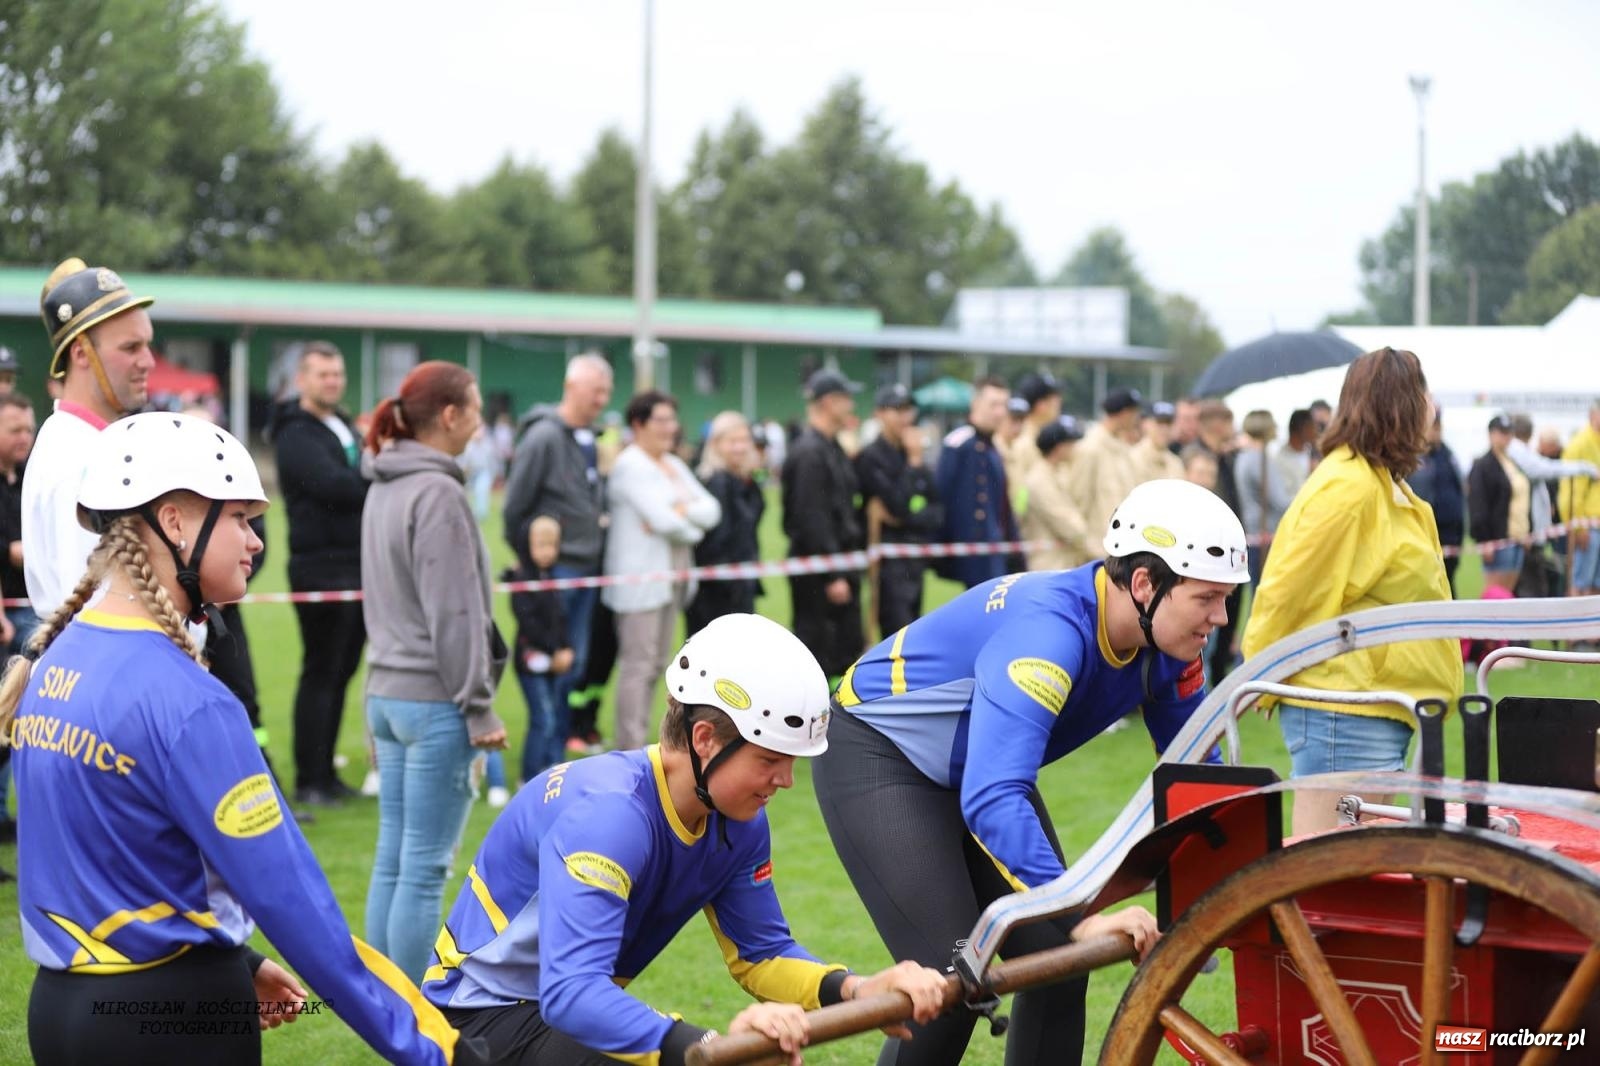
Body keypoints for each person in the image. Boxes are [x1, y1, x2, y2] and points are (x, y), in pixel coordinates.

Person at [4, 412, 482, 1066]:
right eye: (238, 518)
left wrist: (238, 956)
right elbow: (299, 908)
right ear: (174, 522)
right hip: (175, 1021)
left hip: (61, 1013)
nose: (255, 541)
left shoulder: (57, 661)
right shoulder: (191, 703)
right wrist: (444, 1052)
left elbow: (107, 860)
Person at [815, 479, 1243, 1065]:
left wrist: (1237, 877)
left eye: (1226, 599)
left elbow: (1201, 775)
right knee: (948, 979)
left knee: (1058, 962)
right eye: (1207, 598)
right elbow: (994, 795)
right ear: (1145, 585)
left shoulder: (1167, 648)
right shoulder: (1048, 635)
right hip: (879, 755)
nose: (1221, 618)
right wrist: (1077, 912)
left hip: (972, 768)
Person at [421, 613, 948, 1065]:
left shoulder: (737, 819)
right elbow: (571, 993)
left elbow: (760, 954)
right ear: (705, 740)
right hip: (477, 1023)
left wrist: (857, 990)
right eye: (769, 760)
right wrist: (714, 1047)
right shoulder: (609, 816)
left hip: (556, 1015)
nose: (785, 781)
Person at [1243, 347, 1462, 835]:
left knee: (1355, 878)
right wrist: (1260, 675)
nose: (1432, 405)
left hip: (1373, 707)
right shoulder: (1348, 489)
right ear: (1401, 404)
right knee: (1327, 877)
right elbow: (1287, 590)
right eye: (1424, 393)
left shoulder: (1379, 482)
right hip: (1343, 712)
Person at [361, 361, 509, 983]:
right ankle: (417, 1016)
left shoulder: (384, 483)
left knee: (394, 860)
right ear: (450, 416)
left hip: (387, 696)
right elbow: (453, 613)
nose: (479, 426)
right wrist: (478, 705)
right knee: (423, 867)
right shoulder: (439, 492)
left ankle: (388, 1005)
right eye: (474, 411)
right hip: (434, 702)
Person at [23, 258, 155, 620]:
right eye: (131, 348)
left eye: (147, 345)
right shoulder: (75, 457)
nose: (148, 361)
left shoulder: (88, 443)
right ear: (81, 354)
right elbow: (95, 610)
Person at [273, 340, 370, 808]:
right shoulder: (294, 433)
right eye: (322, 374)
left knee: (342, 673)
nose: (332, 381)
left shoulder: (343, 425)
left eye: (337, 373)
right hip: (320, 568)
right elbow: (332, 485)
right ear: (301, 380)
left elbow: (353, 479)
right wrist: (374, 480)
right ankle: (309, 779)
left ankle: (327, 774)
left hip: (356, 564)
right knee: (321, 672)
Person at [503, 353, 612, 760]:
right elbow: (515, 505)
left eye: (606, 391)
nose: (601, 399)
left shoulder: (591, 438)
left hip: (588, 570)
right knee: (546, 664)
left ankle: (554, 760)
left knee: (574, 665)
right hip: (556, 571)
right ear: (570, 387)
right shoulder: (544, 436)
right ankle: (539, 762)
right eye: (594, 390)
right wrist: (531, 564)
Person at [603, 390, 720, 751]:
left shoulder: (673, 464)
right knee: (639, 666)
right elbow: (663, 519)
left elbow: (711, 509)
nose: (670, 428)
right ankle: (630, 744)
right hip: (640, 580)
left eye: (673, 420)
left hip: (674, 577)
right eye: (662, 420)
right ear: (639, 424)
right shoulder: (631, 464)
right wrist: (683, 517)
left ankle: (642, 739)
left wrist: (681, 514)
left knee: (657, 664)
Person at [782, 369, 867, 679]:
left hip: (837, 565)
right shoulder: (810, 453)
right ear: (829, 402)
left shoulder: (831, 447)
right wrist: (833, 574)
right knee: (819, 655)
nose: (852, 405)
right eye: (847, 398)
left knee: (844, 651)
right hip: (820, 575)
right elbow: (811, 518)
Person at [856, 383, 944, 640]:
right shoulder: (872, 456)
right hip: (888, 561)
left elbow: (936, 511)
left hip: (915, 557)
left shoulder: (912, 453)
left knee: (915, 632)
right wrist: (914, 464)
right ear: (880, 414)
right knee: (897, 634)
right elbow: (899, 503)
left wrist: (909, 518)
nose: (906, 418)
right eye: (897, 410)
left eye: (908, 410)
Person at [498, 516, 573, 798]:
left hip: (556, 663)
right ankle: (529, 776)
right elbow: (528, 622)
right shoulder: (522, 580)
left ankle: (556, 771)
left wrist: (566, 648)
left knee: (557, 713)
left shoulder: (551, 578)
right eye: (540, 545)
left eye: (552, 545)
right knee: (543, 718)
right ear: (526, 545)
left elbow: (561, 618)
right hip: (532, 663)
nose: (547, 551)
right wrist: (553, 651)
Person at [936, 377, 1019, 588]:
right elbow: (942, 498)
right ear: (975, 404)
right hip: (972, 555)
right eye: (994, 405)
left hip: (995, 551)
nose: (1000, 412)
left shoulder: (993, 447)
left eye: (1003, 405)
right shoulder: (960, 444)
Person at [687, 411, 766, 634]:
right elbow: (716, 540)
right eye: (732, 441)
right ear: (716, 444)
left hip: (740, 583)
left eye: (744, 440)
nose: (740, 447)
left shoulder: (744, 480)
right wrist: (730, 583)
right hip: (718, 592)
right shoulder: (716, 481)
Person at [1506, 412, 1597, 598]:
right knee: (1532, 594)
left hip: (1533, 537)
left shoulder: (1519, 451)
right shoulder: (1516, 450)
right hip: (1526, 537)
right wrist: (1584, 468)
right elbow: (1541, 469)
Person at [1066, 387, 1143, 551]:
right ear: (1124, 413)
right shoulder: (1090, 449)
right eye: (1133, 412)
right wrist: (1086, 545)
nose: (1136, 419)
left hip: (1124, 546)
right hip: (1099, 549)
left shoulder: (1123, 448)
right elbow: (1079, 500)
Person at [1467, 415, 1530, 594]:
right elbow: (1478, 505)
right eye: (1502, 433)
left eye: (1509, 433)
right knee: (1494, 593)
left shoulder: (1514, 462)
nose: (1506, 437)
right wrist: (1484, 541)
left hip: (1517, 536)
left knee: (1507, 594)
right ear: (1491, 434)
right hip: (1497, 539)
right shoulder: (1482, 465)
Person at [1408, 402, 1466, 594]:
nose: (1436, 431)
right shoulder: (1413, 459)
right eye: (1433, 426)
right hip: (1429, 534)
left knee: (1449, 586)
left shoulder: (1448, 455)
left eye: (1438, 426)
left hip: (1452, 534)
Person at [1021, 416, 1091, 571]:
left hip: (1062, 562)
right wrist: (1088, 538)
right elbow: (1067, 524)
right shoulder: (1039, 480)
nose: (1075, 448)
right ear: (1059, 447)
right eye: (1071, 443)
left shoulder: (1056, 474)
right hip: (1047, 565)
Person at [1233, 409, 1294, 585]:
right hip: (1265, 537)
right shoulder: (1259, 460)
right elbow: (1280, 500)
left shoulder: (1244, 457)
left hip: (1254, 536)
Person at [1560, 401, 1600, 606]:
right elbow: (1571, 492)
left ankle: (1593, 634)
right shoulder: (1580, 445)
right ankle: (1577, 634)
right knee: (1581, 581)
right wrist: (1579, 525)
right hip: (1588, 527)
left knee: (1596, 583)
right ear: (1592, 415)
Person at [1003, 371, 1062, 488]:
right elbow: (1019, 491)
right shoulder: (1023, 443)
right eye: (1055, 398)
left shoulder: (1039, 437)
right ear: (1041, 405)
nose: (1059, 402)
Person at [1129, 401, 1185, 485]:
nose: (1164, 429)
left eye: (1168, 423)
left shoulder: (1176, 463)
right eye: (1159, 423)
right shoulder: (1132, 458)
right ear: (1145, 424)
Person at [1275, 408, 1317, 498]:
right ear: (1302, 428)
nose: (1315, 431)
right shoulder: (1280, 460)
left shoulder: (1313, 452)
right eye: (1312, 426)